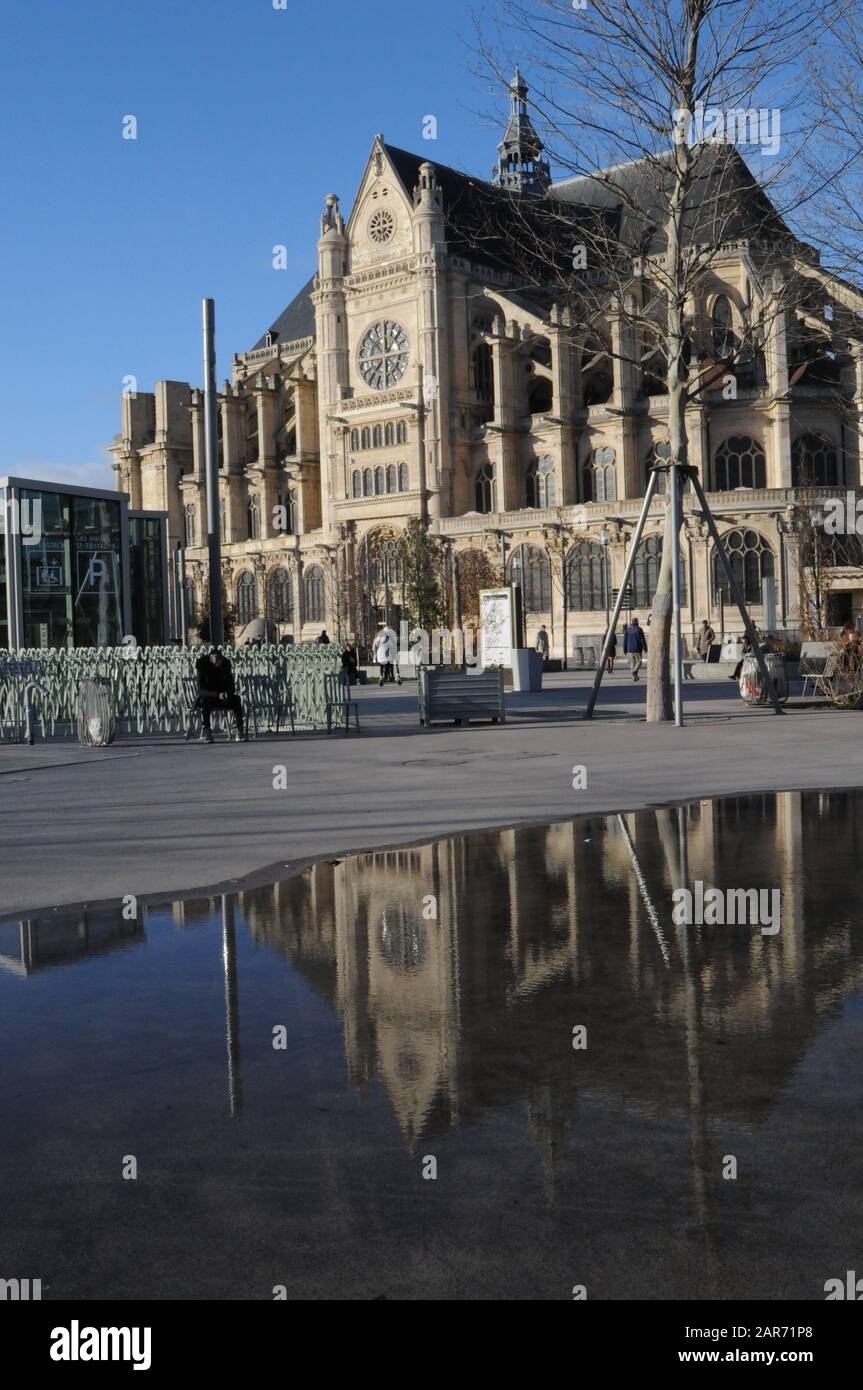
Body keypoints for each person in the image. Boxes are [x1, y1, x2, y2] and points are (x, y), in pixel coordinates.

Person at [195, 648, 246, 743]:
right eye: (216, 658)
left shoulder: (224, 666)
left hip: (223, 696)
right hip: (209, 696)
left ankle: (239, 731)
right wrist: (216, 694)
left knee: (236, 699)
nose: (219, 661)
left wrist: (228, 693)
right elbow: (200, 690)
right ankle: (207, 731)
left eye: (220, 658)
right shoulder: (203, 666)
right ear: (210, 657)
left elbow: (231, 685)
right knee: (206, 702)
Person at [622, 616, 647, 680]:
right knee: (639, 661)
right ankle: (634, 671)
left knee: (632, 663)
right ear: (636, 622)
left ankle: (634, 677)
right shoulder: (639, 629)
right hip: (637, 648)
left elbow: (625, 640)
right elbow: (642, 639)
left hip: (629, 649)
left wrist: (624, 649)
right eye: (637, 621)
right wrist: (645, 648)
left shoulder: (627, 630)